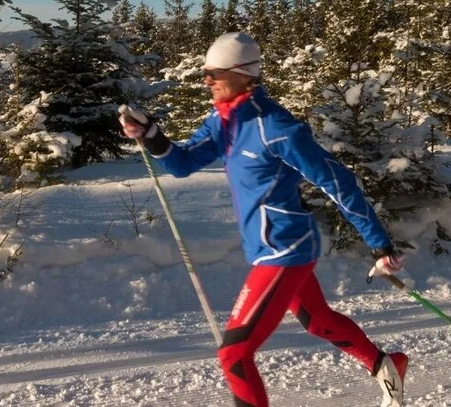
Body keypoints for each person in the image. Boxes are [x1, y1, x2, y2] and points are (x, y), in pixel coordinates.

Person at [119, 31, 410, 407]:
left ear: (243, 74)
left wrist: (379, 243)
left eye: (215, 73)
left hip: (285, 248)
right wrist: (152, 134)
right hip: (270, 246)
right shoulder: (223, 119)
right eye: (206, 73)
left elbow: (337, 181)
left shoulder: (275, 127)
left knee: (234, 355)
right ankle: (388, 366)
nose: (207, 80)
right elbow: (183, 163)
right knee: (317, 320)